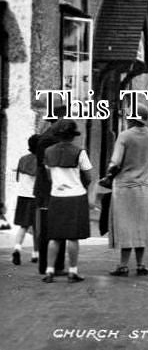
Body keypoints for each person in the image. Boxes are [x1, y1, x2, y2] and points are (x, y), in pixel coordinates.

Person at [107, 104, 148, 277]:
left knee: (126, 225)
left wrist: (108, 176)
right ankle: (141, 264)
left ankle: (123, 265)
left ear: (132, 118)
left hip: (125, 186)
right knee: (141, 225)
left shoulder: (125, 136)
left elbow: (115, 163)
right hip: (145, 185)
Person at [42, 120, 91, 283]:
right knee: (72, 237)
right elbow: (88, 177)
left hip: (56, 196)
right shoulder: (80, 152)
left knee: (55, 236)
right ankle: (73, 271)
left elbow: (49, 177)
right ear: (72, 136)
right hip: (76, 196)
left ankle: (49, 271)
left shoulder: (48, 152)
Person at [34, 111, 67, 276]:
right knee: (50, 228)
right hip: (49, 189)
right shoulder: (49, 140)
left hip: (50, 188)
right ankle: (50, 265)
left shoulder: (48, 137)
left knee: (54, 227)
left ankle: (54, 264)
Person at [12, 135, 40, 265]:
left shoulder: (22, 159)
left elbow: (18, 178)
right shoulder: (40, 161)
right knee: (36, 228)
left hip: (22, 196)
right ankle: (35, 254)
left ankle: (17, 248)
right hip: (35, 197)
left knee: (23, 226)